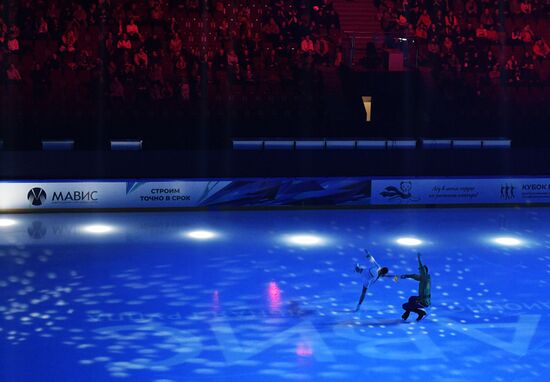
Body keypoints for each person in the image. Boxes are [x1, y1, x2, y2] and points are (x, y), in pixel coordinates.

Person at [400, 253, 431, 321]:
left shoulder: (425, 278)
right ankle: (412, 313)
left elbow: (421, 269)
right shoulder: (425, 278)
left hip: (423, 302)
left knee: (406, 306)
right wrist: (406, 276)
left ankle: (421, 313)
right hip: (423, 300)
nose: (419, 271)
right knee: (411, 299)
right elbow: (414, 276)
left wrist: (419, 259)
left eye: (420, 271)